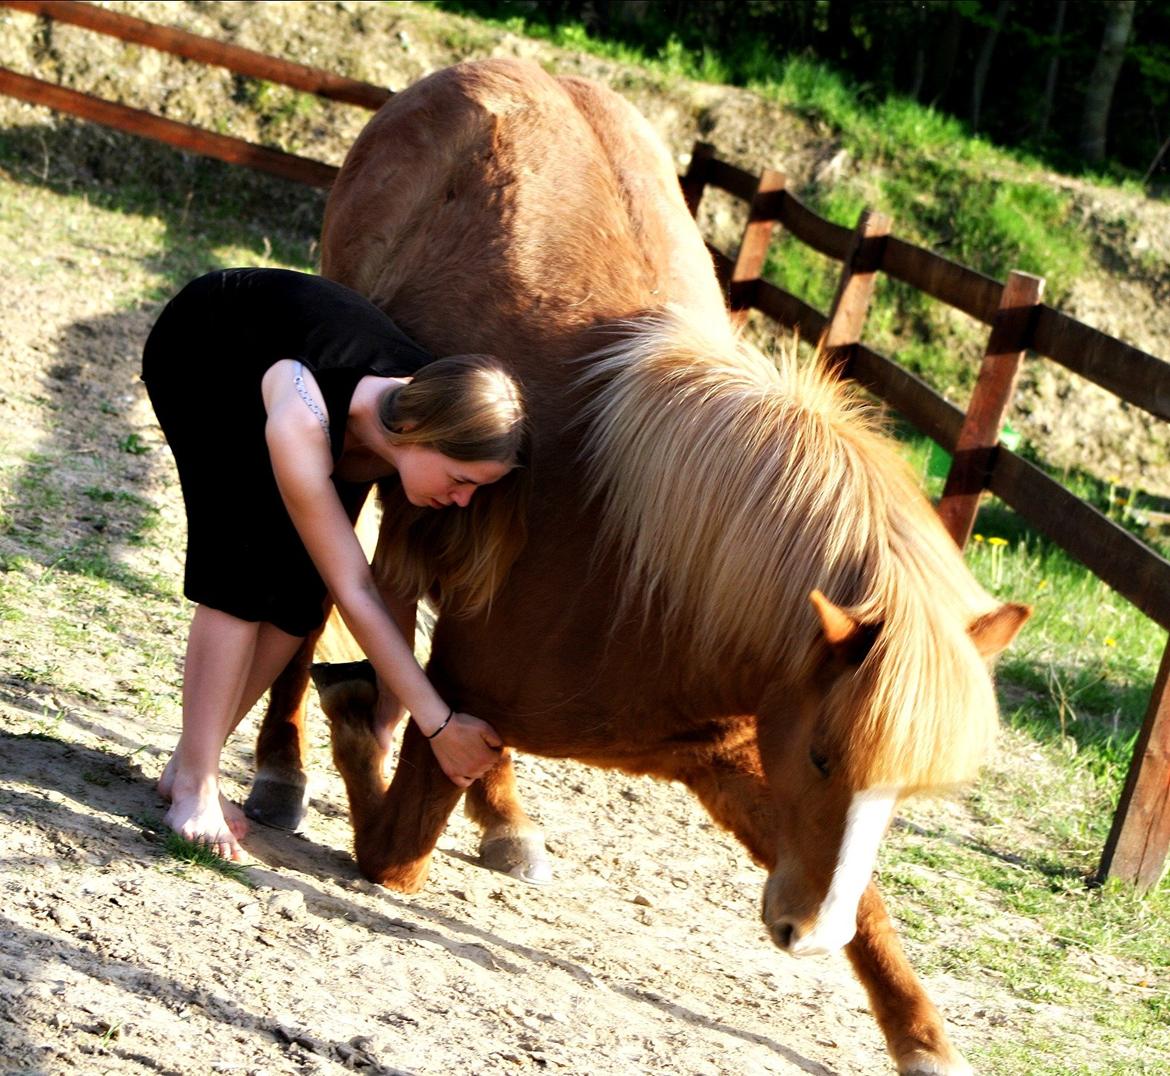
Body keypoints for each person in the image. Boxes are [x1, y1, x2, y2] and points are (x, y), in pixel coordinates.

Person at [141, 267, 528, 861]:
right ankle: (195, 784)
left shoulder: (425, 415)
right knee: (243, 579)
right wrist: (440, 725)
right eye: (460, 480)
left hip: (328, 406)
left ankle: (191, 762)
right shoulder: (305, 420)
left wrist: (394, 718)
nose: (463, 500)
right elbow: (357, 589)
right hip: (208, 353)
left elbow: (377, 588)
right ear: (418, 431)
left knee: (297, 601)